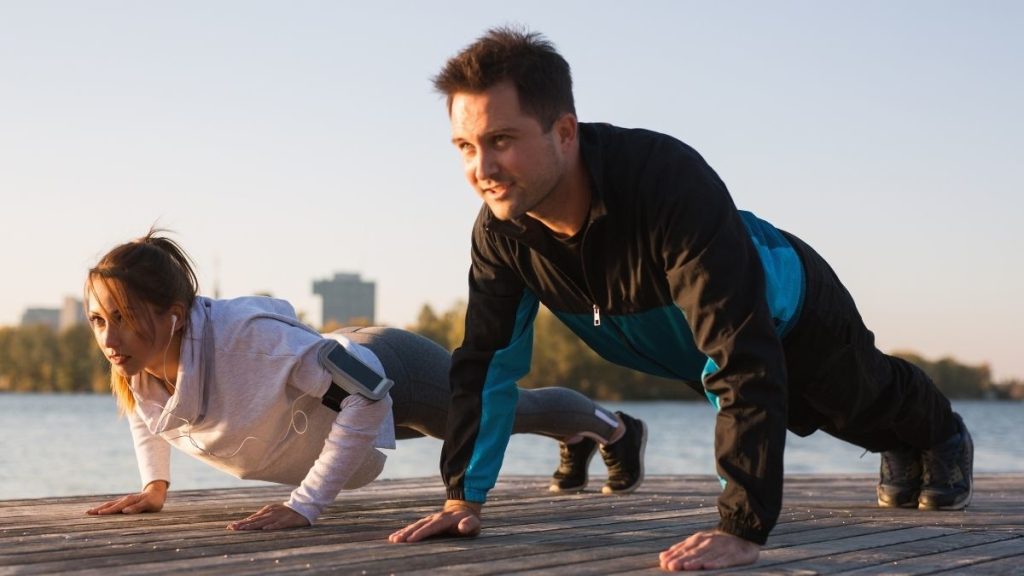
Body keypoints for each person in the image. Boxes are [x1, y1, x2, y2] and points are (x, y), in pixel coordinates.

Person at [388, 27, 974, 571]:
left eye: (501, 140)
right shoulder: (500, 232)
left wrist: (742, 526)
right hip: (689, 348)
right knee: (811, 415)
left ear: (564, 132)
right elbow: (487, 366)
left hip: (789, 306)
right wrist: (463, 498)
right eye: (465, 146)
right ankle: (895, 442)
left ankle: (941, 434)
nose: (481, 168)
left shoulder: (665, 183)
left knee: (856, 397)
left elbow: (738, 353)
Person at [83, 229, 644, 530]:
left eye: (125, 320)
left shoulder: (249, 341)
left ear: (174, 315)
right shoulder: (144, 362)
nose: (110, 340)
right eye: (99, 320)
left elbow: (369, 395)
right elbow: (145, 413)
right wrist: (155, 488)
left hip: (383, 366)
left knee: (501, 414)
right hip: (325, 400)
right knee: (479, 422)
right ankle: (579, 438)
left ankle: (612, 429)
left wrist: (305, 506)